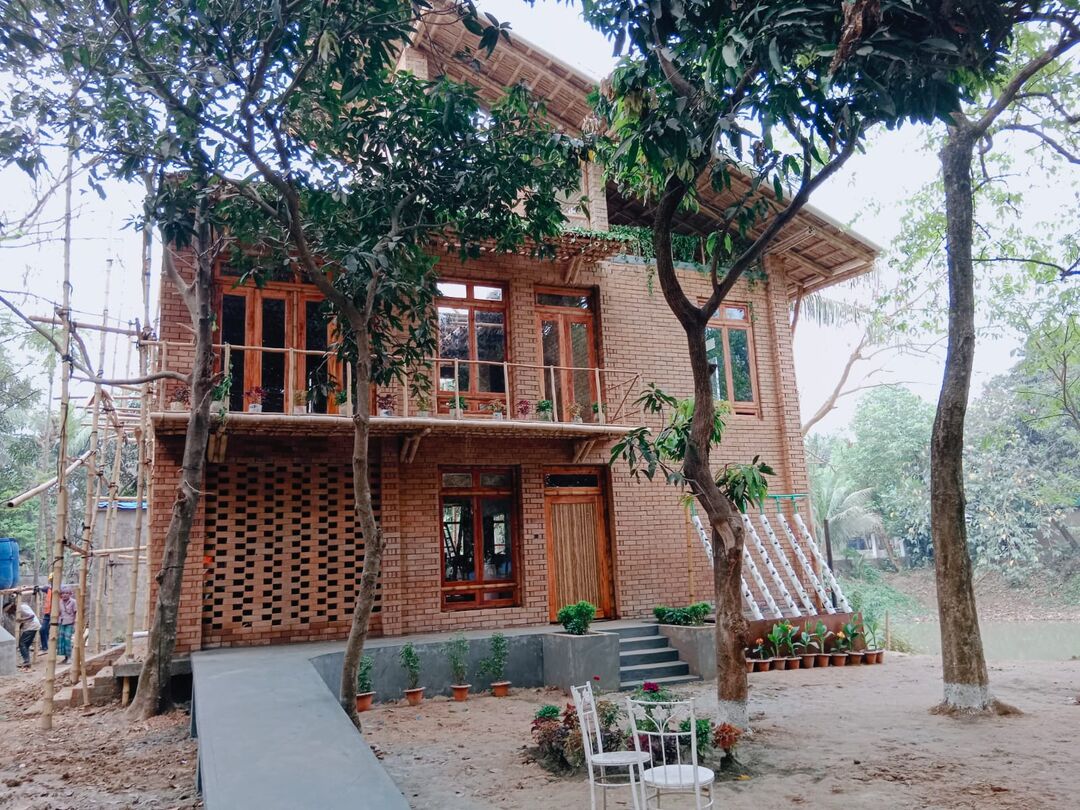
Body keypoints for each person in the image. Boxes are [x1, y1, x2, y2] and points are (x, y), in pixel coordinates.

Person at [4, 599, 41, 669]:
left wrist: (22, 620)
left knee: (22, 644)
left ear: (11, 607)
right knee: (25, 645)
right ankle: (27, 662)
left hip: (32, 626)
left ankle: (26, 661)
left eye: (9, 611)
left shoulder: (22, 607)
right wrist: (20, 626)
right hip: (30, 626)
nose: (9, 613)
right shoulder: (17, 611)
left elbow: (32, 616)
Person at [57, 587, 77, 665]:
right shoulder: (59, 602)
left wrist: (75, 624)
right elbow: (58, 613)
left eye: (66, 593)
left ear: (70, 594)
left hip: (70, 623)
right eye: (63, 593)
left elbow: (76, 613)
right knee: (61, 640)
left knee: (67, 640)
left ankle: (69, 657)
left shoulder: (73, 602)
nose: (64, 595)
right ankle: (65, 658)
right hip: (61, 623)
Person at [38, 583, 52, 653]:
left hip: (57, 613)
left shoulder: (60, 589)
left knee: (54, 631)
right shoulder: (49, 589)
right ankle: (45, 647)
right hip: (48, 614)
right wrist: (39, 588)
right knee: (43, 630)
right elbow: (43, 588)